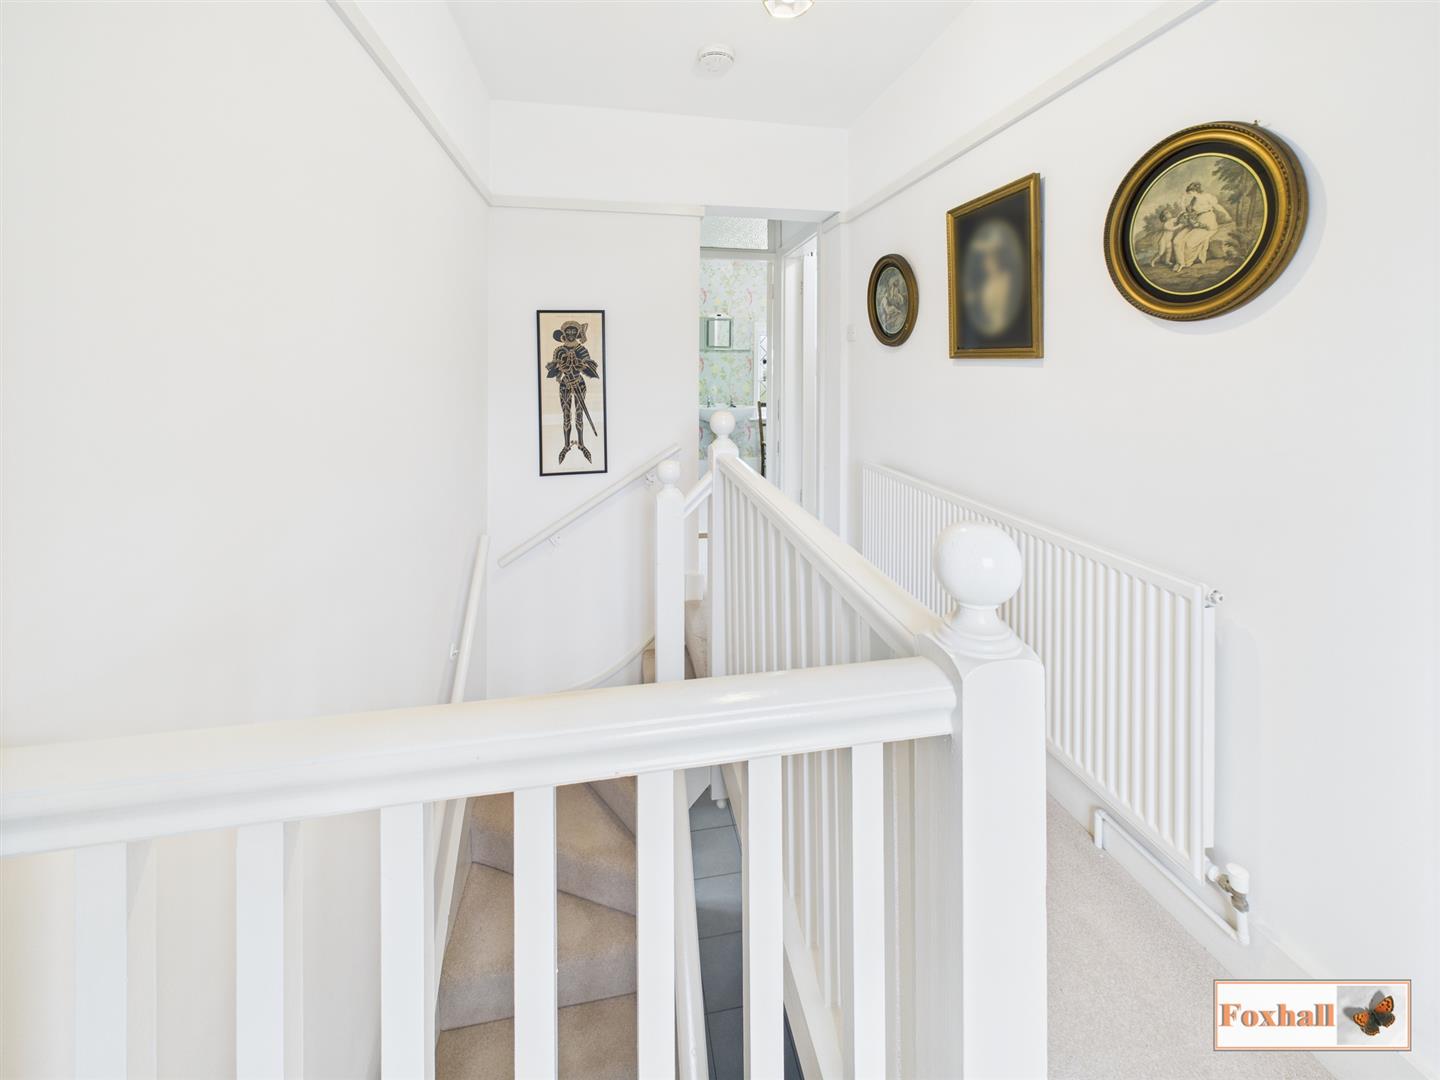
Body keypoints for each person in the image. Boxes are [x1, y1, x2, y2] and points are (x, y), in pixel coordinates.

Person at [546, 320, 599, 464]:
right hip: (565, 385)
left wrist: (580, 365)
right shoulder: (559, 350)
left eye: (573, 331)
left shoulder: (582, 350)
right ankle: (566, 445)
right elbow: (553, 372)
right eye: (568, 331)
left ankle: (581, 444)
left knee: (579, 415)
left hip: (579, 383)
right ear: (564, 333)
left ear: (577, 333)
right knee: (566, 415)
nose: (570, 333)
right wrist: (559, 367)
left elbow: (591, 369)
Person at [1172, 181, 1233, 270]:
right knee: (1177, 240)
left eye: (1189, 192)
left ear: (1194, 191)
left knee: (1188, 242)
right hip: (1196, 221)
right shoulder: (1193, 201)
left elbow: (1217, 206)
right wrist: (1182, 201)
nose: (1188, 194)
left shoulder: (1207, 196)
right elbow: (1186, 212)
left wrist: (1226, 214)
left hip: (1207, 220)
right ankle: (1180, 262)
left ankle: (1186, 262)